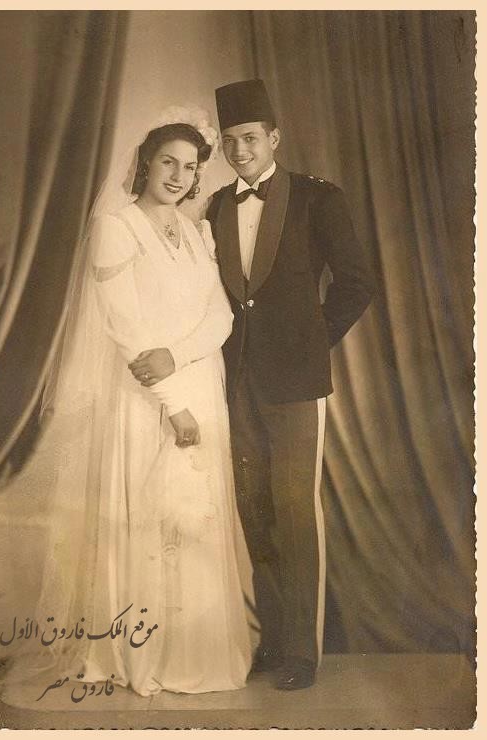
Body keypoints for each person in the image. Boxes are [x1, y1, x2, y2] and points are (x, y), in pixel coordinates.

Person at [2, 108, 252, 698]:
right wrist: (171, 399)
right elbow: (125, 327)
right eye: (168, 162)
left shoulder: (196, 231)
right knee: (148, 516)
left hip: (199, 385)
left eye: (189, 167)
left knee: (195, 519)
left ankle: (194, 652)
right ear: (144, 163)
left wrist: (179, 357)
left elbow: (220, 316)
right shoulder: (117, 226)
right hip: (145, 400)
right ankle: (141, 652)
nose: (178, 176)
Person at [206, 79, 375, 690]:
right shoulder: (215, 206)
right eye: (230, 141)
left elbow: (357, 283)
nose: (240, 150)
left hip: (296, 384)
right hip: (234, 382)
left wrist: (309, 342)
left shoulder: (317, 198)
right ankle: (274, 641)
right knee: (253, 509)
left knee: (296, 511)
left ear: (274, 138)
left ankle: (303, 650)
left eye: (250, 138)